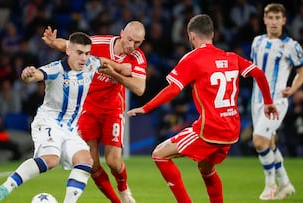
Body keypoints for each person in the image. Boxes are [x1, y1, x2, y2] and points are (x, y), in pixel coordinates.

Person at [127, 14, 279, 203]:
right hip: (231, 129)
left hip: (210, 129)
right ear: (213, 34)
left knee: (159, 155)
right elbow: (259, 74)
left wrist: (146, 107)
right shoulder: (231, 57)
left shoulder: (193, 59)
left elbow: (173, 89)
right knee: (206, 169)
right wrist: (268, 102)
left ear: (191, 36)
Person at [0, 31, 132, 203]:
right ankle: (5, 188)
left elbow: (103, 61)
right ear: (68, 50)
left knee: (87, 161)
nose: (84, 58)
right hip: (48, 122)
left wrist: (121, 68)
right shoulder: (56, 69)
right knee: (51, 160)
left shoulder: (91, 64)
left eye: (87, 53)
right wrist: (27, 74)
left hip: (71, 129)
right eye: (79, 53)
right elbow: (36, 75)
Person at [42, 21, 147, 203]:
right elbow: (70, 45)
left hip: (113, 109)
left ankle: (123, 188)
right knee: (91, 163)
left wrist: (114, 74)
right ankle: (117, 201)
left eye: (137, 42)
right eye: (129, 39)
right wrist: (53, 43)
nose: (132, 46)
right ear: (122, 33)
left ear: (142, 41)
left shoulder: (137, 58)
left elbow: (139, 88)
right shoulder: (98, 43)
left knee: (114, 162)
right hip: (87, 108)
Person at [250, 3, 303, 200]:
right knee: (270, 143)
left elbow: (301, 72)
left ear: (283, 20)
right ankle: (286, 184)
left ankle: (270, 185)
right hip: (257, 101)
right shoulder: (257, 42)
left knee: (259, 141)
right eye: (270, 18)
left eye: (277, 18)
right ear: (264, 20)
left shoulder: (291, 46)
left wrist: (294, 88)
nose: (273, 22)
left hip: (277, 101)